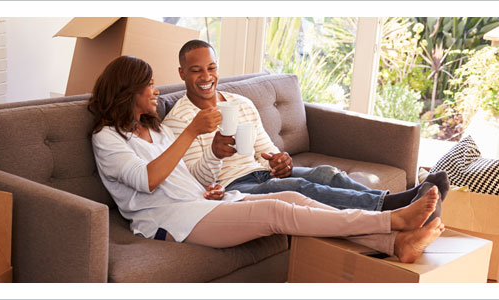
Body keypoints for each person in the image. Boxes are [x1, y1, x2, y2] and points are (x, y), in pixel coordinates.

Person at [89, 55, 445, 263]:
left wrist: (211, 173)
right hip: (169, 221)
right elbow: (147, 180)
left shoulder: (155, 129)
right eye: (149, 85)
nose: (155, 91)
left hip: (200, 203)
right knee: (277, 211)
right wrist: (192, 133)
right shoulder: (107, 138)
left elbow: (184, 174)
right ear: (127, 91)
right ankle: (390, 221)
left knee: (292, 197)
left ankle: (395, 244)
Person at [162, 40, 449, 217]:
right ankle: (394, 206)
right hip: (232, 188)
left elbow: (265, 149)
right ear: (182, 74)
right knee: (299, 186)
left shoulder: (240, 103)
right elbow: (193, 180)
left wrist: (280, 160)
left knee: (325, 173)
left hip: (258, 173)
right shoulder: (178, 120)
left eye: (211, 68)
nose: (206, 77)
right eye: (196, 70)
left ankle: (396, 201)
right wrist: (214, 154)